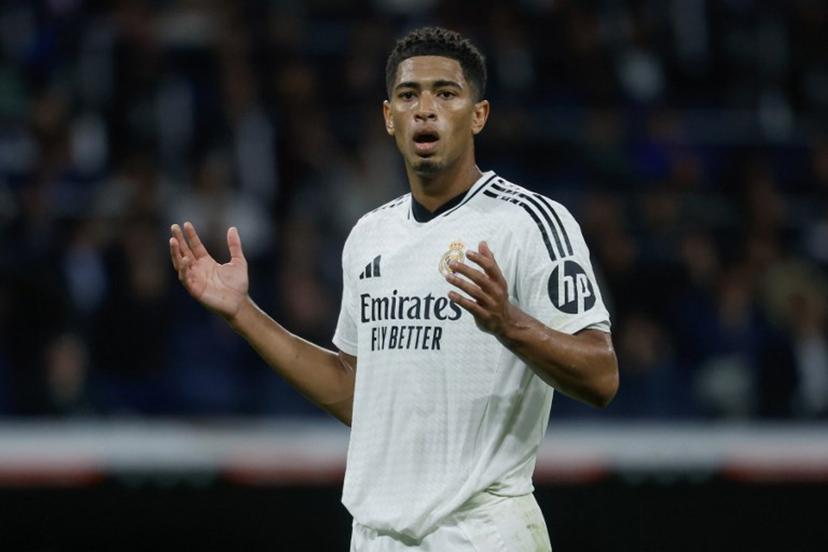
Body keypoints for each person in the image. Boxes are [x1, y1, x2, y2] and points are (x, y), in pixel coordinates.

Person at [169, 26, 618, 552]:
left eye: (445, 94)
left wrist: (509, 323)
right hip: (377, 537)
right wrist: (242, 312)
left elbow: (601, 375)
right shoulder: (368, 236)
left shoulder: (528, 222)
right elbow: (358, 395)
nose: (425, 109)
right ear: (389, 117)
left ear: (479, 115)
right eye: (408, 95)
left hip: (481, 531)